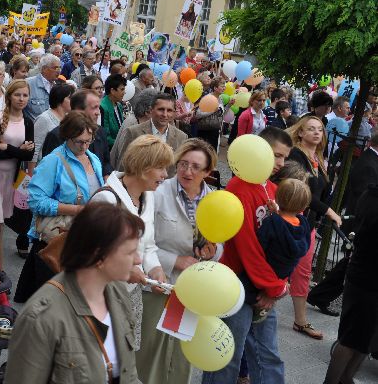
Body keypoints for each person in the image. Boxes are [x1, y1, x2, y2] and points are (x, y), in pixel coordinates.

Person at [6, 203, 141, 383]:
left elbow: (128, 374)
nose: (139, 259)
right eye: (130, 252)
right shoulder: (41, 317)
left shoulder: (117, 292)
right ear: (99, 256)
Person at [202, 126, 294, 384]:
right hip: (237, 285)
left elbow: (285, 244)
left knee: (268, 355)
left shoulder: (273, 190)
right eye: (276, 155)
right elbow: (246, 247)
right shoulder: (238, 188)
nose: (280, 163)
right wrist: (273, 287)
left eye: (285, 157)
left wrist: (277, 285)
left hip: (265, 286)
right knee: (226, 356)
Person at [145, 138, 221, 383]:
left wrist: (213, 251)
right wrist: (174, 260)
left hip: (192, 289)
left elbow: (220, 246)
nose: (187, 172)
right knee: (150, 352)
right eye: (183, 164)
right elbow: (143, 242)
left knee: (181, 355)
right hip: (160, 283)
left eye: (196, 167)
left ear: (208, 172)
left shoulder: (214, 201)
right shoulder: (157, 192)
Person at [14, 112, 104, 302]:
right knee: (51, 304)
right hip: (56, 241)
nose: (85, 146)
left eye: (89, 140)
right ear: (67, 137)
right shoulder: (53, 161)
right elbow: (36, 201)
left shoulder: (93, 159)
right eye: (79, 142)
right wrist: (76, 210)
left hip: (84, 239)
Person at [91, 135, 170, 349]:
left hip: (131, 294)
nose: (165, 175)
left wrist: (155, 269)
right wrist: (127, 271)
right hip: (101, 296)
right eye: (161, 168)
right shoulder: (106, 199)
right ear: (143, 166)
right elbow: (91, 254)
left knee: (126, 355)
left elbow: (148, 243)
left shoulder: (148, 196)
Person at [308, 132, 378, 315]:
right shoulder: (369, 163)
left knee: (347, 265)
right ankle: (320, 295)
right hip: (362, 225)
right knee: (350, 266)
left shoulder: (371, 160)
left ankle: (319, 295)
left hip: (364, 224)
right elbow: (366, 198)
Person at [286, 116, 341, 339]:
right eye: (311, 129)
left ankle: (300, 321)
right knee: (285, 266)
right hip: (292, 219)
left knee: (302, 271)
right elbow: (303, 192)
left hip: (306, 223)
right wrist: (329, 212)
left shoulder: (317, 157)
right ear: (300, 133)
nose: (317, 133)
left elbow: (322, 192)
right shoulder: (296, 155)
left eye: (320, 129)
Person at [323, 185, 378, 384]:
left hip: (366, 279)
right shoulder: (372, 196)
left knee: (366, 340)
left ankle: (346, 379)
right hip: (366, 281)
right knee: (351, 338)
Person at [240, 178, 311, 323]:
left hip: (268, 267)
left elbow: (260, 243)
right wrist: (276, 212)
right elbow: (287, 224)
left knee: (248, 289)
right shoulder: (303, 224)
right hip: (285, 271)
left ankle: (255, 311)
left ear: (277, 197)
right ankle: (263, 309)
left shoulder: (272, 222)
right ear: (303, 207)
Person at [0, 80, 34, 265]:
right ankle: (0, 271)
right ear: (9, 96)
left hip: (11, 178)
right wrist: (17, 149)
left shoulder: (28, 122)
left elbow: (29, 153)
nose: (21, 99)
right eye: (17, 95)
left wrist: (7, 147)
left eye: (25, 95)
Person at [41, 89, 113, 179]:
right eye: (94, 107)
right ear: (78, 110)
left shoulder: (100, 132)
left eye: (99, 107)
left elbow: (106, 162)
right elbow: (48, 173)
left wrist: (106, 177)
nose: (98, 112)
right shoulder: (57, 135)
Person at [112, 92, 188, 176]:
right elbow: (123, 167)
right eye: (161, 109)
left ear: (174, 113)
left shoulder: (181, 137)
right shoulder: (133, 132)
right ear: (151, 110)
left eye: (169, 110)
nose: (165, 114)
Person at [31, 82, 73, 166]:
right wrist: (31, 175)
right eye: (70, 98)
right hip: (45, 167)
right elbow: (35, 149)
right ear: (59, 99)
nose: (73, 101)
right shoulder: (44, 118)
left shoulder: (69, 118)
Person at [24, 53, 61, 122]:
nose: (59, 71)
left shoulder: (59, 86)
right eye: (55, 68)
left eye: (59, 67)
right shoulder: (28, 84)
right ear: (44, 69)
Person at [100, 74, 127, 148]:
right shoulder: (102, 107)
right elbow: (105, 136)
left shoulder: (119, 105)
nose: (124, 92)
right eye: (122, 89)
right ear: (112, 91)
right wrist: (123, 144)